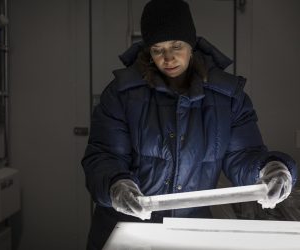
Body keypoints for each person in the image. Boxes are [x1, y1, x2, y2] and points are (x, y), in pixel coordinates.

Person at [81, 0, 298, 249]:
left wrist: (272, 168)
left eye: (176, 46)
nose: (168, 57)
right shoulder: (122, 94)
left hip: (188, 231)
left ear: (191, 45)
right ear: (148, 52)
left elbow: (244, 155)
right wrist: (116, 184)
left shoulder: (227, 97)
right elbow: (103, 155)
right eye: (157, 49)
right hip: (126, 230)